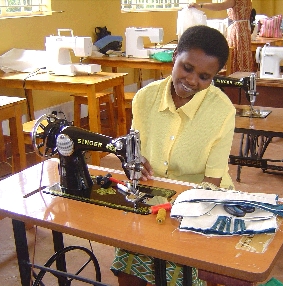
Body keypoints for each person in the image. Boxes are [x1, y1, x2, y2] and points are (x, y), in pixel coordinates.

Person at [110, 25, 236, 286]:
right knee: (127, 267)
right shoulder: (145, 98)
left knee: (188, 273)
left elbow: (212, 181)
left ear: (215, 76)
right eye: (187, 68)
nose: (192, 80)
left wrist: (174, 217)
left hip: (202, 201)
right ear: (175, 55)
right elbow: (135, 151)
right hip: (154, 194)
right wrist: (134, 162)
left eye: (204, 76)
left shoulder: (222, 111)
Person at [188, 0, 254, 73]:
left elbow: (220, 6)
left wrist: (200, 5)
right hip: (245, 29)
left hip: (237, 30)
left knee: (235, 53)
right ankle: (245, 76)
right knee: (243, 55)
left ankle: (235, 77)